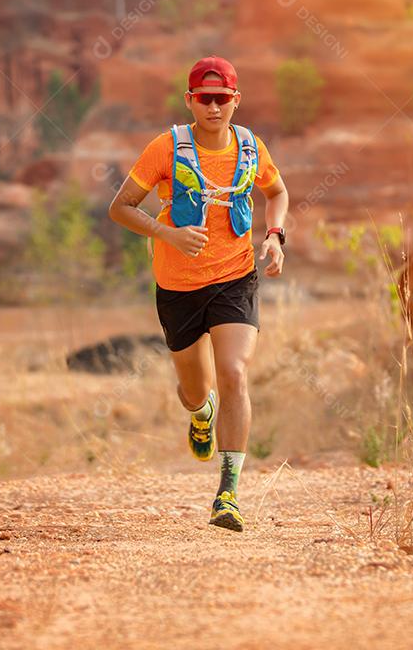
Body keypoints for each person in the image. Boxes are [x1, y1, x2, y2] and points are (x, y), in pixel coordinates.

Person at [108, 56, 289, 532]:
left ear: (236, 100)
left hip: (236, 277)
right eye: (204, 99)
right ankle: (202, 412)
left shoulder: (250, 146)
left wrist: (274, 236)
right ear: (190, 100)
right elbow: (120, 207)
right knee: (194, 390)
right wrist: (165, 234)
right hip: (178, 285)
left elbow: (278, 192)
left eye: (222, 99)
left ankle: (227, 494)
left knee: (234, 371)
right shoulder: (166, 148)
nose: (214, 107)